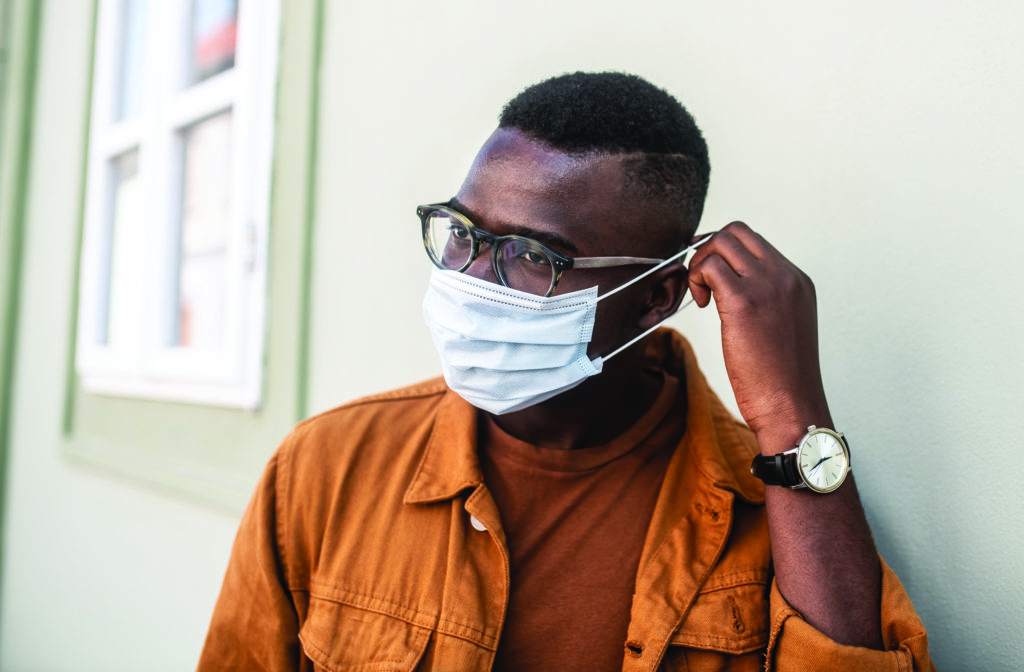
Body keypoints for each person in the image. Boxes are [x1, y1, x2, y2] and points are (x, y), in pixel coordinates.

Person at [198, 72, 934, 671]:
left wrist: (793, 415)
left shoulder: (770, 502)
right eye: (463, 232)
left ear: (653, 298)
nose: (472, 277)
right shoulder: (326, 468)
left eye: (532, 257)